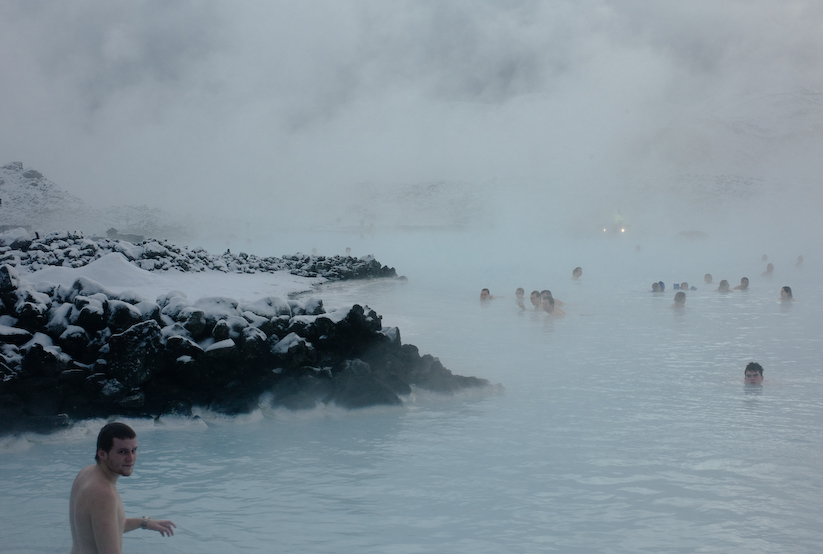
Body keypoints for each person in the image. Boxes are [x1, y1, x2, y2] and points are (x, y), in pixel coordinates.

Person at [70, 423, 176, 554]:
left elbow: (103, 528)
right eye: (122, 452)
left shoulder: (86, 473)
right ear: (102, 454)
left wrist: (144, 523)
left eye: (134, 450)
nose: (130, 458)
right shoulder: (104, 493)